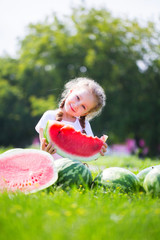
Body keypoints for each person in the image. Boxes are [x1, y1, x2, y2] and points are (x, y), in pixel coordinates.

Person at [35, 77, 107, 160]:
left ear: (86, 113)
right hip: (53, 168)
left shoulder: (85, 125)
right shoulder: (49, 116)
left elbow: (91, 154)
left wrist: (98, 150)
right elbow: (43, 147)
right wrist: (45, 151)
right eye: (78, 98)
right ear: (71, 92)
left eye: (83, 106)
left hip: (75, 171)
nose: (76, 105)